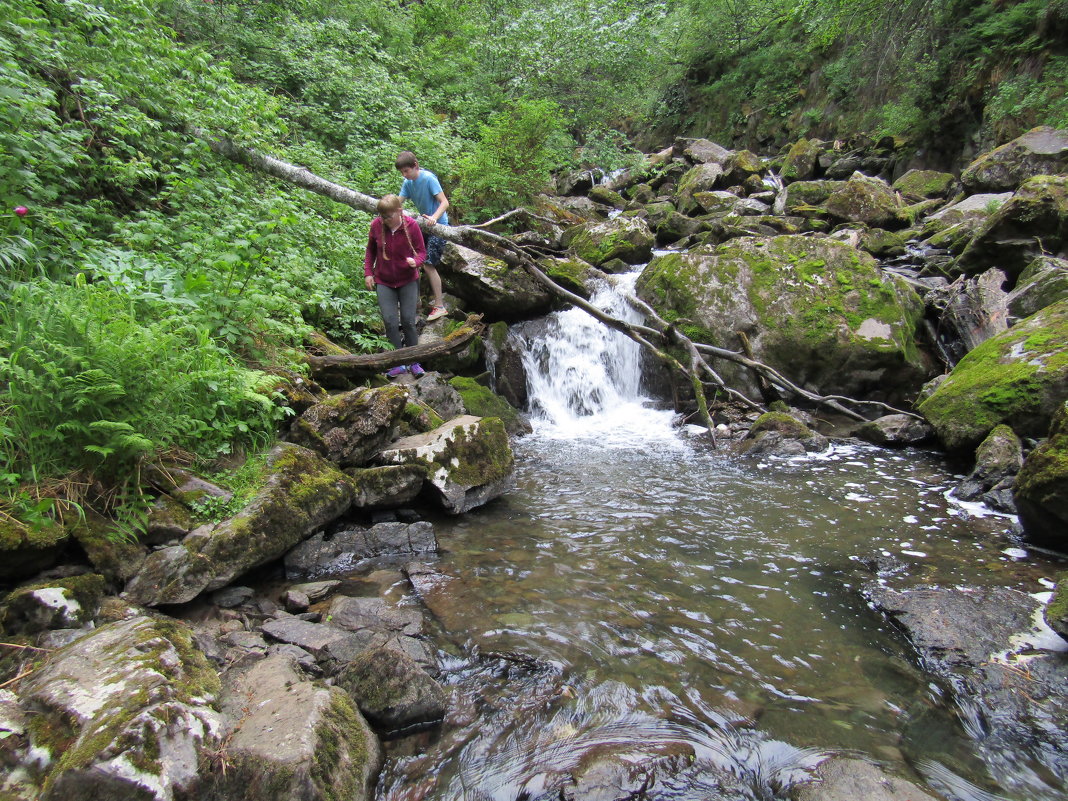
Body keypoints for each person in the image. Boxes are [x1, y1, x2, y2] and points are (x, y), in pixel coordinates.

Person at [364, 194, 427, 378]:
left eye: (389, 217)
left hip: (408, 279)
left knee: (408, 321)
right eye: (383, 217)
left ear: (399, 211)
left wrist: (416, 262)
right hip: (384, 281)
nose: (386, 220)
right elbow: (370, 251)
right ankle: (397, 363)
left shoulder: (412, 226)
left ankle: (414, 361)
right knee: (390, 321)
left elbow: (422, 252)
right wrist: (368, 272)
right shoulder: (377, 226)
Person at [396, 150, 450, 321]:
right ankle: (415, 301)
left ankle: (440, 306)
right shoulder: (407, 183)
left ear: (415, 166)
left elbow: (445, 202)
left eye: (407, 171)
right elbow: (398, 203)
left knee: (427, 264)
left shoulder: (428, 179)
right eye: (402, 172)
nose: (405, 175)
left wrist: (434, 218)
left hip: (439, 226)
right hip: (423, 226)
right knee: (413, 260)